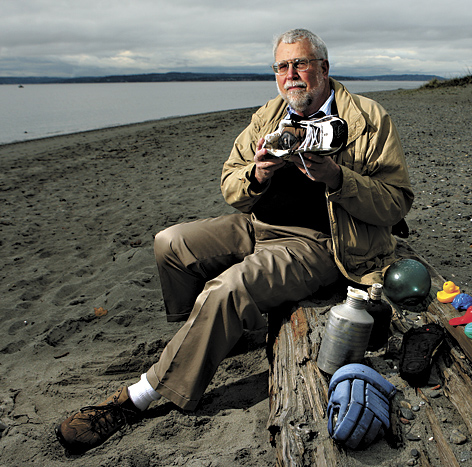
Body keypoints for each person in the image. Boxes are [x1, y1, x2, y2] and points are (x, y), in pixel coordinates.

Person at [55, 28, 413, 454]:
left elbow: (396, 204)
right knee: (171, 243)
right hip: (258, 226)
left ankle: (142, 397)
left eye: (300, 63)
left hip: (323, 242)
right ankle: (199, 340)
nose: (291, 74)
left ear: (324, 68)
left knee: (228, 288)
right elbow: (231, 185)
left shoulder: (368, 118)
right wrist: (258, 173)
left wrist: (338, 178)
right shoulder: (270, 115)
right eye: (282, 66)